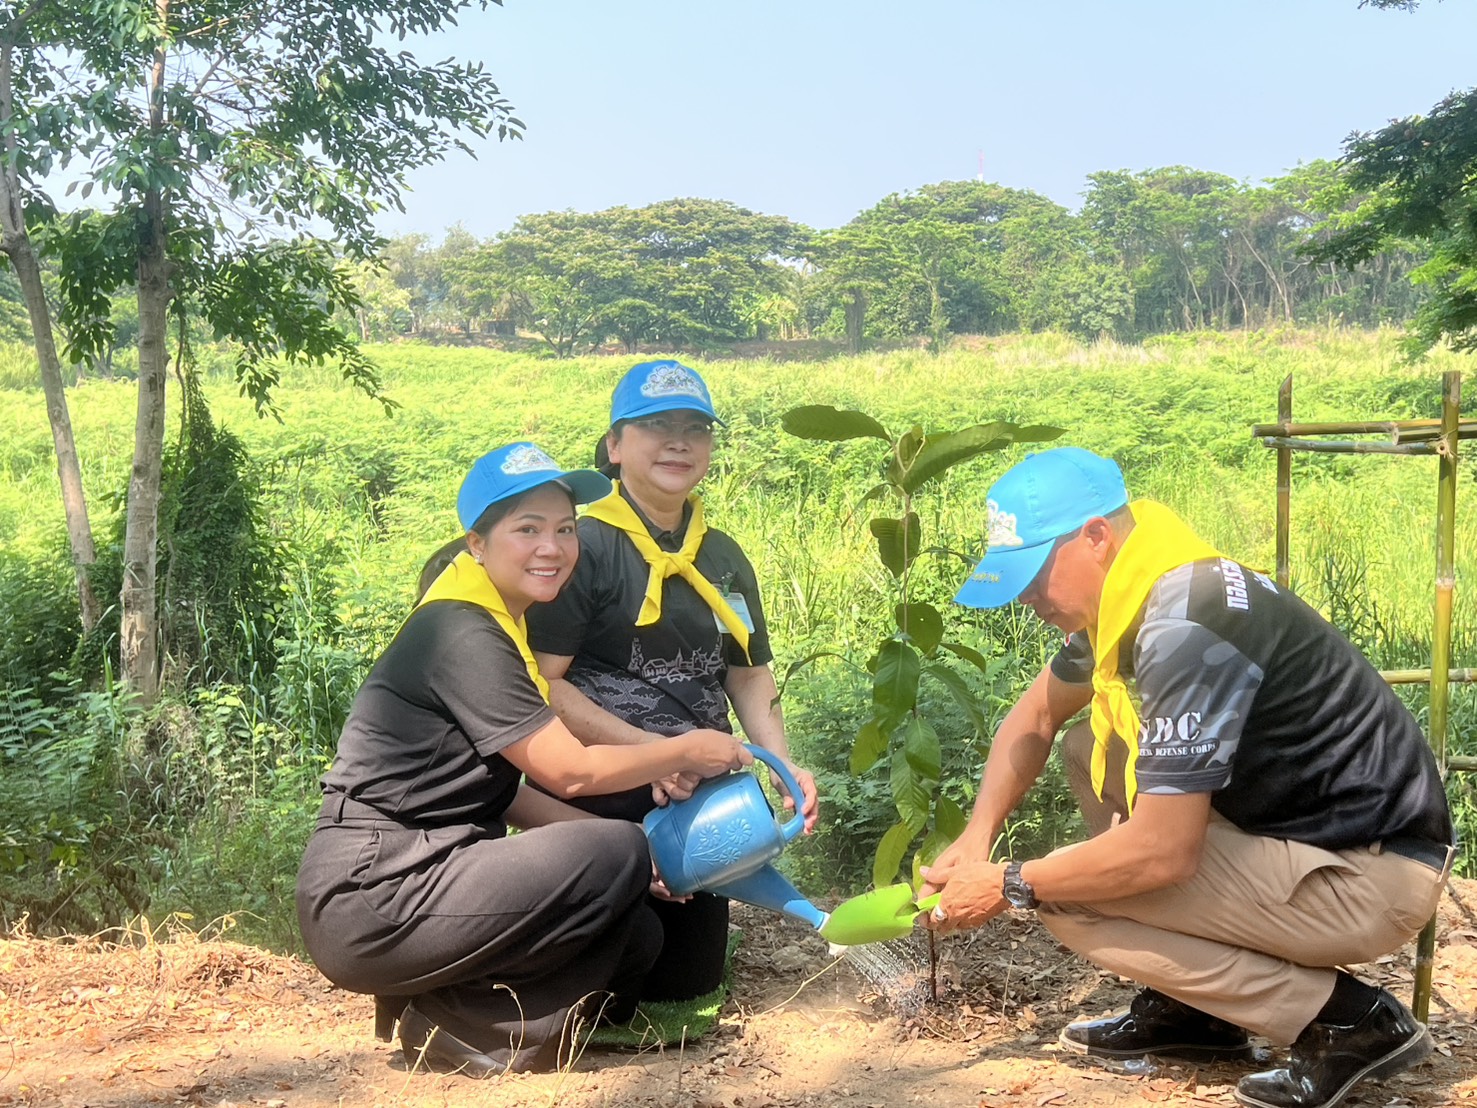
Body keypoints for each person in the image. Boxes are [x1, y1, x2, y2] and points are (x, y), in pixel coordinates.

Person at [919, 446, 1456, 1108]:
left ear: (1095, 538)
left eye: (1033, 573)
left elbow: (1161, 851)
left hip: (1367, 874)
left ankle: (1348, 1020)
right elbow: (1034, 716)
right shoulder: (1142, 589)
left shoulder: (1186, 619)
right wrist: (978, 835)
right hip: (1318, 835)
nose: (1026, 596)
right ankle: (1199, 1012)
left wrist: (1005, 882)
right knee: (1089, 743)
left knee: (1062, 892)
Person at [296, 441, 752, 1077]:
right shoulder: (460, 631)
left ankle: (458, 1011)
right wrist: (685, 749)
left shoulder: (499, 626)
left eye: (565, 529)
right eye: (527, 528)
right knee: (617, 849)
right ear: (477, 544)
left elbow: (506, 794)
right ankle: (459, 1025)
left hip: (433, 871)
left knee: (636, 936)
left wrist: (632, 862)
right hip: (377, 886)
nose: (553, 547)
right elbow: (570, 772)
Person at [527, 359, 819, 1003]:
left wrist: (782, 764)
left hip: (700, 799)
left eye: (695, 428)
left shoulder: (722, 556)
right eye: (656, 426)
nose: (678, 442)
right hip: (601, 788)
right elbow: (545, 685)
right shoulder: (583, 547)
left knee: (686, 984)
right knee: (607, 979)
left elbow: (748, 673)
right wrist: (650, 754)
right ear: (614, 446)